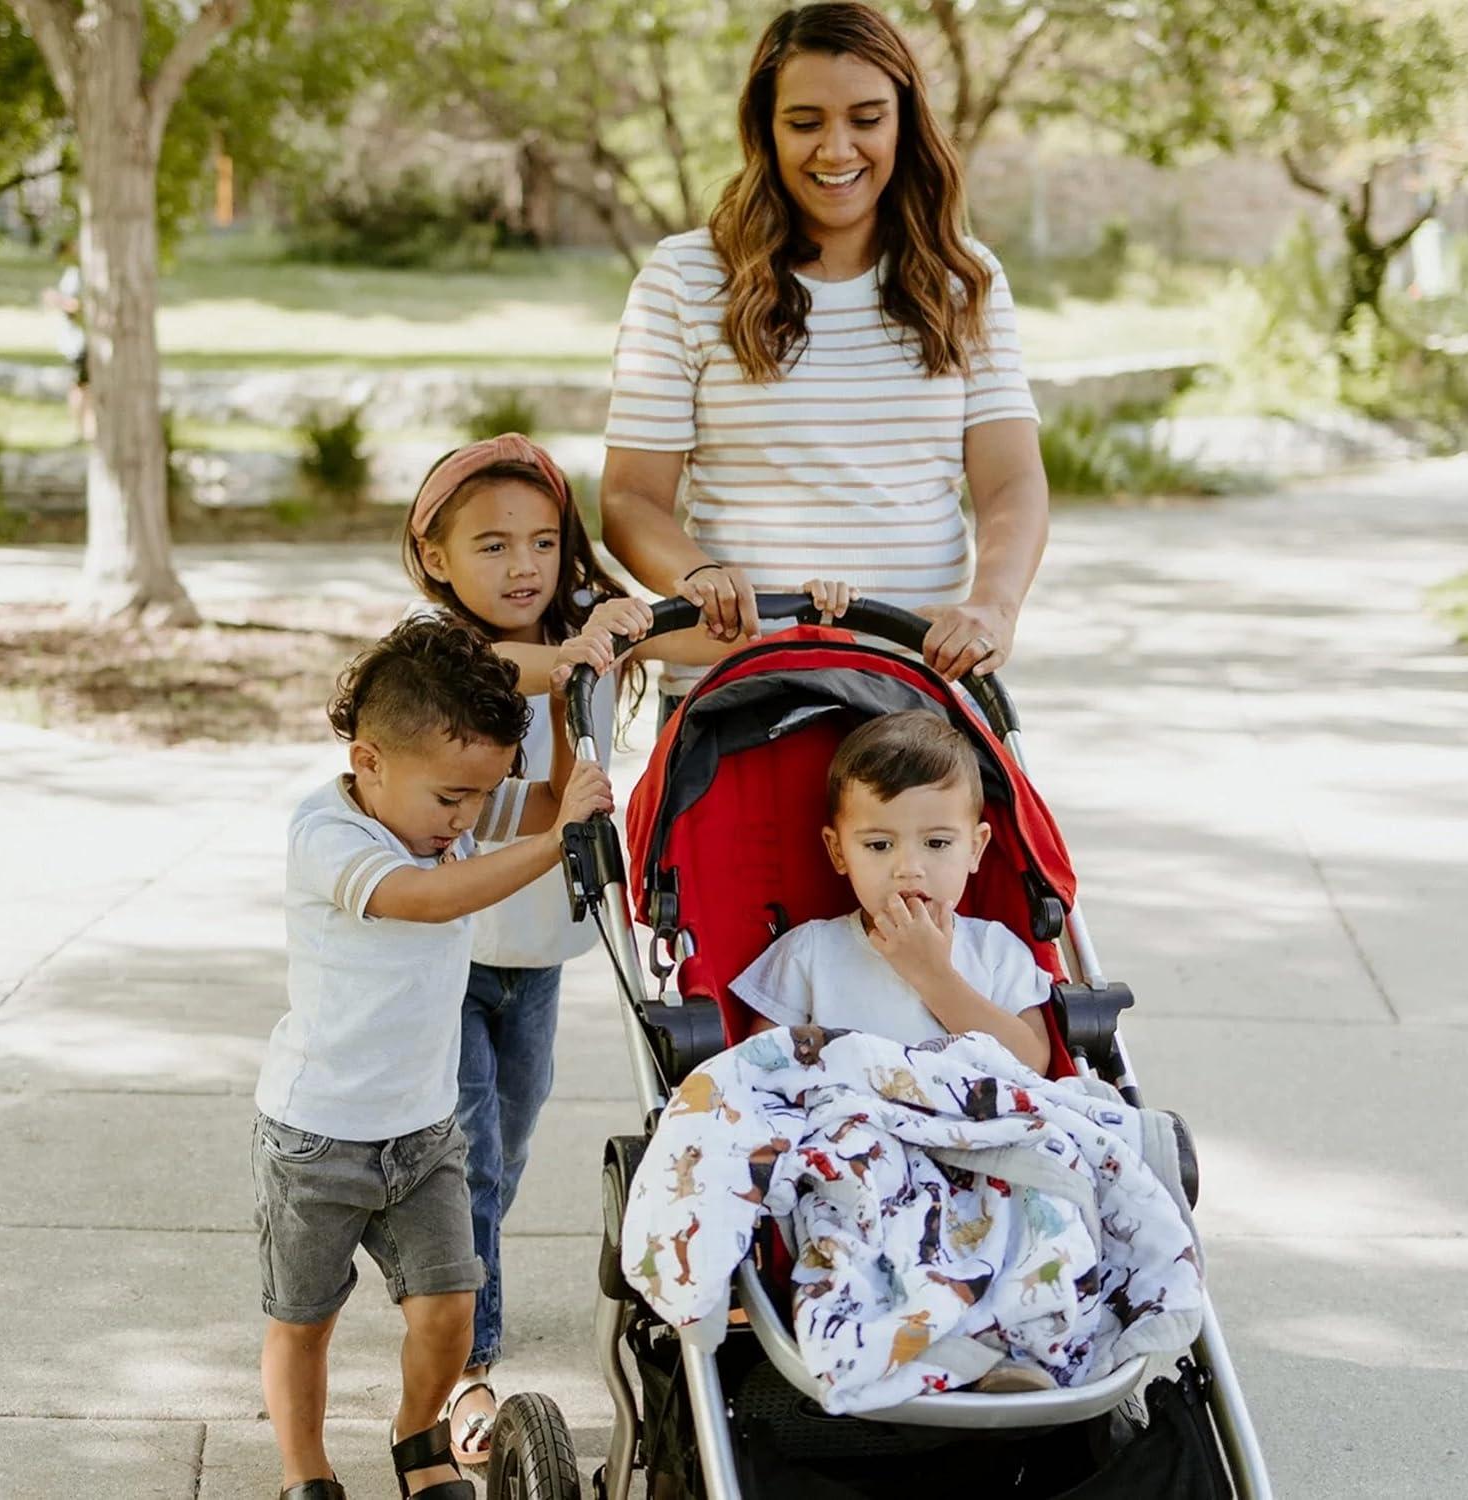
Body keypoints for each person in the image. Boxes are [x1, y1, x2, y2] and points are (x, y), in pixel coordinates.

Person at [401, 433, 731, 1466]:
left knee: (511, 1128)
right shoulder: (433, 650)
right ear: (438, 559)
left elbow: (711, 649)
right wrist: (579, 650)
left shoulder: (582, 635)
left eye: (542, 541)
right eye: (491, 546)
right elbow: (496, 667)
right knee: (470, 1152)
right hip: (447, 954)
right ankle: (466, 1338)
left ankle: (457, 1277)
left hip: (535, 953)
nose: (522, 565)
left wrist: (674, 613)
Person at [601, 1, 1048, 720]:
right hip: (739, 697)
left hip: (915, 692)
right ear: (765, 129)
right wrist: (701, 577)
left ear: (904, 121)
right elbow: (630, 500)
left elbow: (1012, 482)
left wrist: (993, 608)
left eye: (866, 119)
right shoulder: (684, 277)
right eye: (805, 122)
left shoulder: (964, 279)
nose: (836, 150)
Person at [251, 615, 613, 1500]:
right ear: (370, 760)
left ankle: (419, 1441)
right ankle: (307, 1473)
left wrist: (567, 706)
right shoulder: (330, 835)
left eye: (473, 799)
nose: (461, 822)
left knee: (450, 1310)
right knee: (304, 1320)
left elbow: (543, 799)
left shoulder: (437, 799)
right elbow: (431, 898)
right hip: (317, 1138)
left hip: (422, 1132)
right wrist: (554, 842)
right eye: (450, 801)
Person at [732, 710, 1051, 1074]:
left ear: (975, 849)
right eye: (880, 845)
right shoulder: (809, 953)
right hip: (850, 1120)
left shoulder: (994, 949)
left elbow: (1031, 1066)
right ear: (838, 851)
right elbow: (757, 1073)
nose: (909, 868)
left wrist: (934, 976)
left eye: (936, 842)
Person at [41, 238, 92, 441]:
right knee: (81, 386)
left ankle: (85, 429)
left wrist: (57, 300)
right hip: (75, 341)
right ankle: (82, 428)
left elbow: (78, 306)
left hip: (83, 340)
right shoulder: (73, 273)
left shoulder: (81, 273)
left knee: (83, 387)